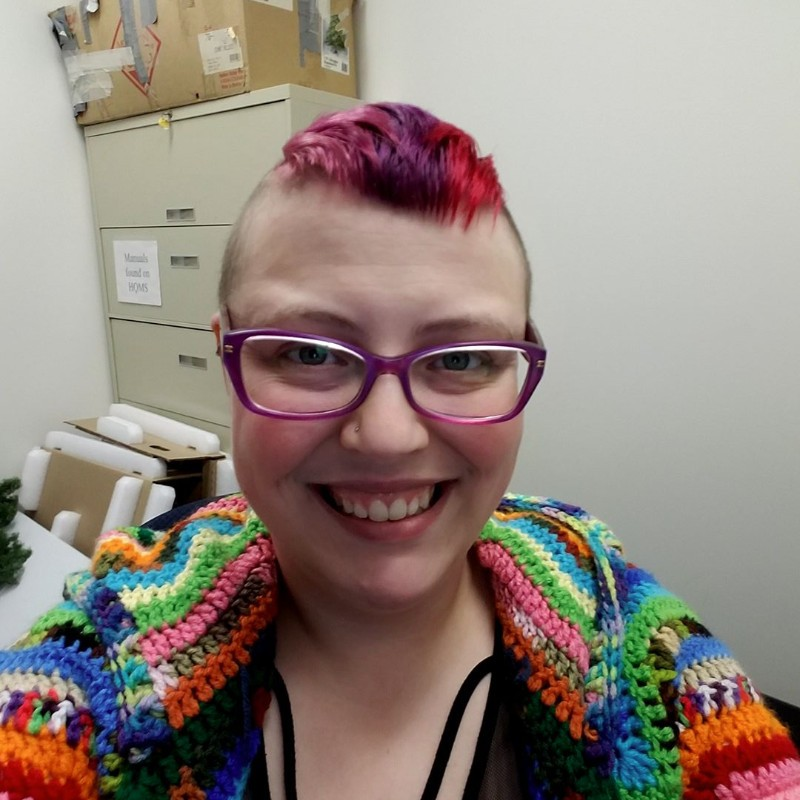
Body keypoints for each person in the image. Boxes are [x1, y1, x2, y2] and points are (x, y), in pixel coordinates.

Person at [0, 102, 798, 800]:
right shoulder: (104, 670)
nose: (387, 436)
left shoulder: (623, 638)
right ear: (227, 354)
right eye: (309, 353)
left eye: (462, 359)